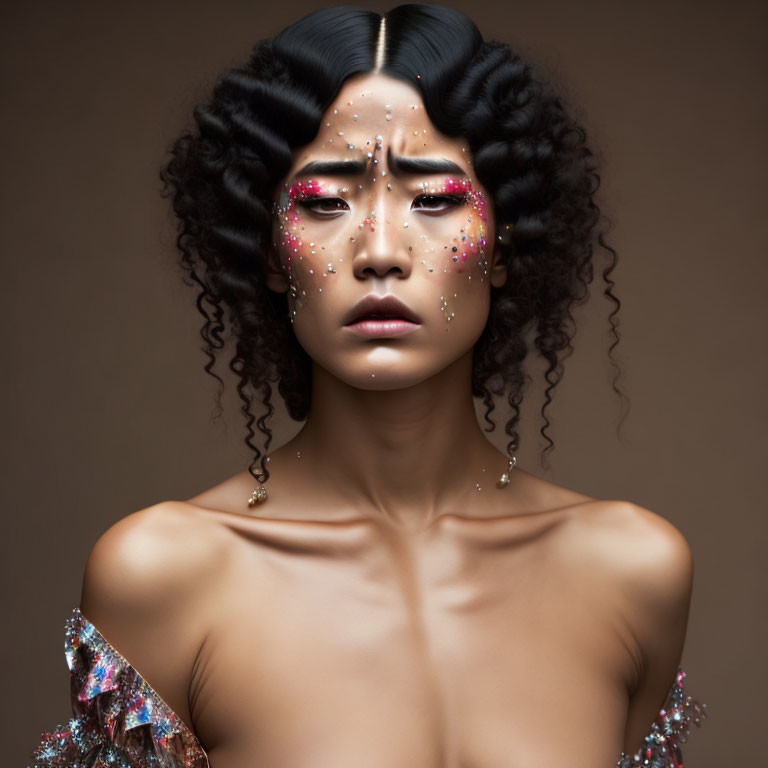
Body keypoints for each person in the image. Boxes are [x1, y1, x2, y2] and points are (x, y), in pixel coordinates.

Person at [28, 5, 707, 767]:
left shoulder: (632, 570)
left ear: (507, 246)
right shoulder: (163, 576)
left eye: (435, 199)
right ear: (270, 254)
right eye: (324, 203)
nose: (380, 251)